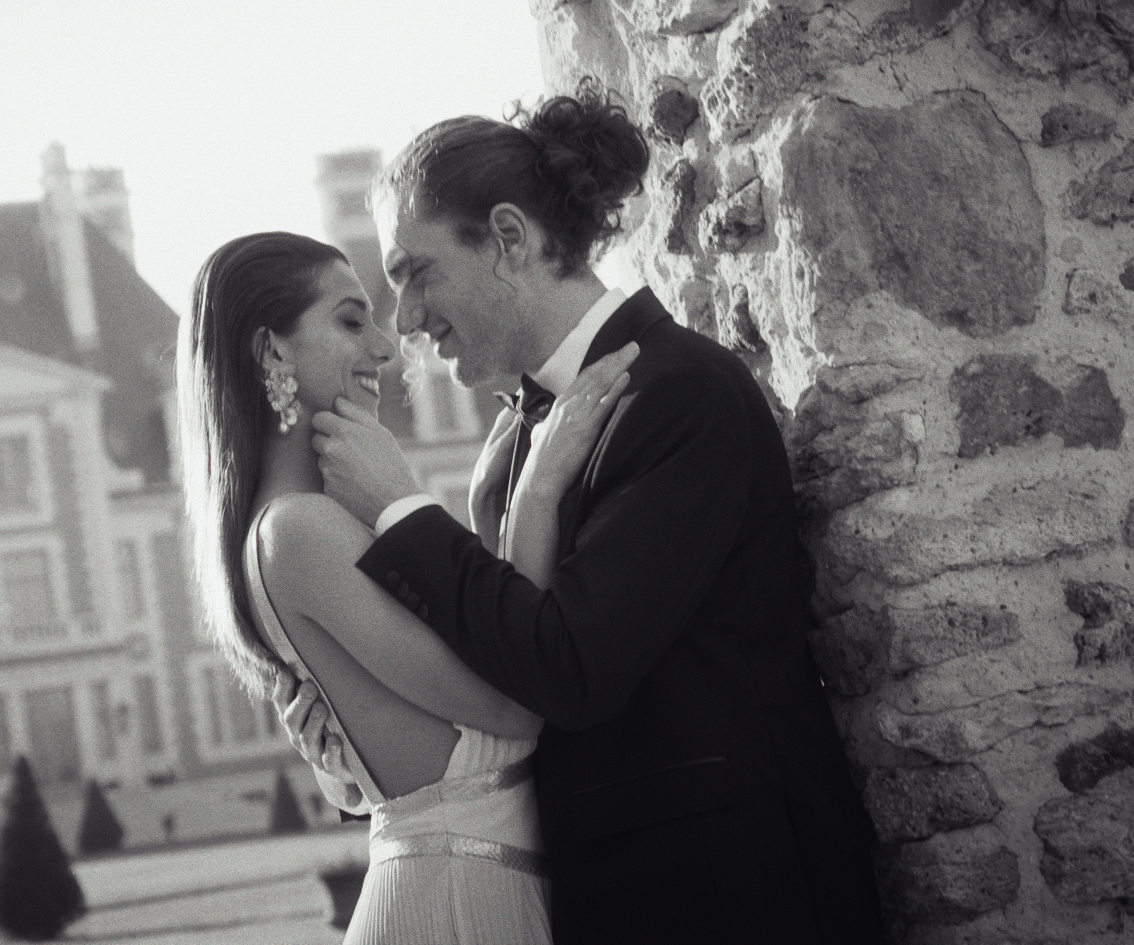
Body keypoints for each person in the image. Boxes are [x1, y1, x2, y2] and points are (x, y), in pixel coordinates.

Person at [292, 83, 888, 943]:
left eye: (415, 272)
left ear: (508, 238)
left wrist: (398, 507)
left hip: (739, 893)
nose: (409, 320)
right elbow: (503, 688)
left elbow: (572, 666)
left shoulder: (684, 393)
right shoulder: (506, 454)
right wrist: (361, 733)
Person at [176, 229, 634, 943]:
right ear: (272, 350)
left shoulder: (309, 522)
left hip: (468, 883)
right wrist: (540, 490)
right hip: (457, 901)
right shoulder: (299, 530)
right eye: (351, 320)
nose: (387, 349)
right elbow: (515, 704)